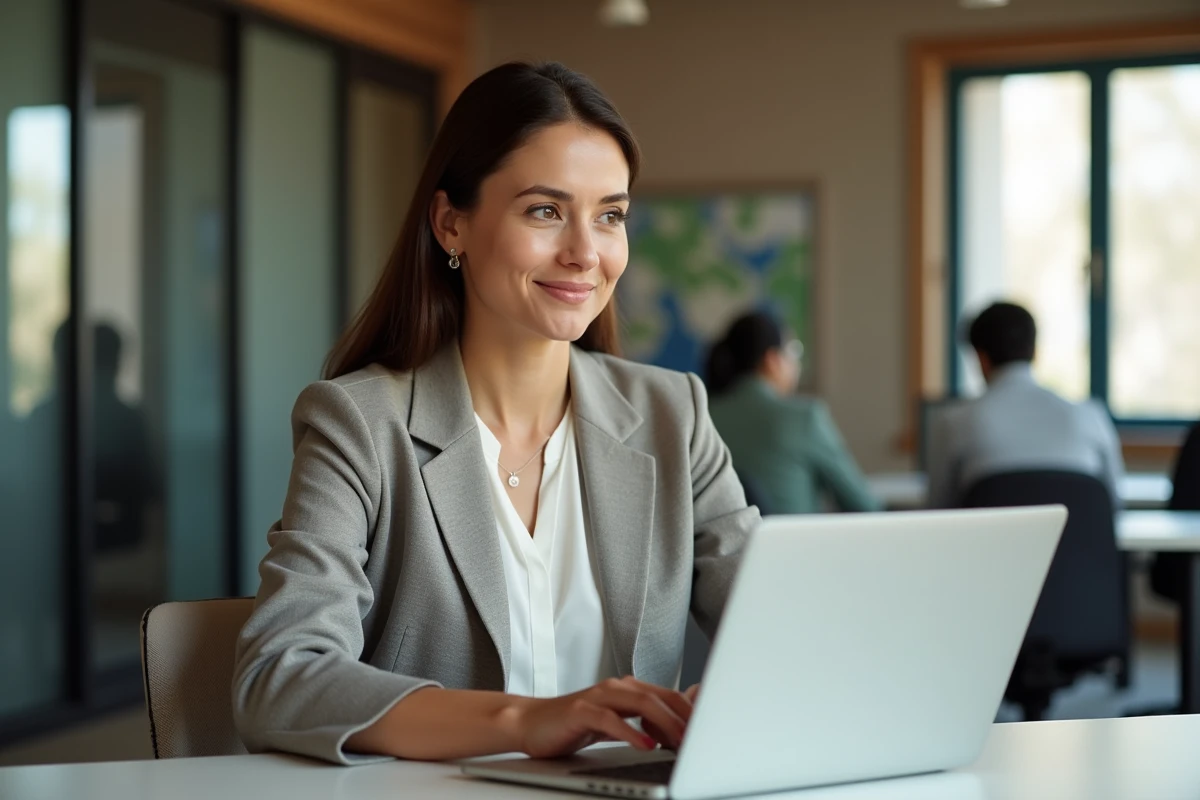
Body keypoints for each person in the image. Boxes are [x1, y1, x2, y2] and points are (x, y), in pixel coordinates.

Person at [231, 62, 757, 766]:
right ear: (452, 224)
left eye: (610, 216)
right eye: (545, 211)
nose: (585, 253)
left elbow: (782, 625)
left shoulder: (673, 415)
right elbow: (279, 675)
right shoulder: (359, 424)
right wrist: (523, 721)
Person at [927, 301, 1125, 509]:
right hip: (1080, 532)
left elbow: (940, 510)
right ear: (1035, 351)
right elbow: (1113, 504)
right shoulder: (1091, 416)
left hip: (996, 532)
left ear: (981, 357)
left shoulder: (954, 424)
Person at [705, 311, 879, 514]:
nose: (797, 364)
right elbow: (863, 505)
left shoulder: (701, 417)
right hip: (797, 536)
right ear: (771, 360)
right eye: (794, 351)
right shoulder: (805, 418)